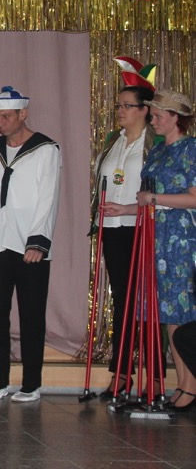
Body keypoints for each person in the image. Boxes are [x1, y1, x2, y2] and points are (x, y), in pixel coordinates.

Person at [0, 85, 61, 403]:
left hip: (29, 246)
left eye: (6, 117)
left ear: (23, 114)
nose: (0, 123)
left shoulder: (45, 149)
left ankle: (31, 383)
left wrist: (38, 241)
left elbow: (48, 198)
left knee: (31, 315)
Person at [91, 80, 157, 400]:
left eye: (127, 105)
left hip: (141, 226)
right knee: (123, 301)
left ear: (144, 110)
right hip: (112, 228)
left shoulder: (154, 143)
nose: (120, 110)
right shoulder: (112, 140)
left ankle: (154, 376)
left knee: (148, 303)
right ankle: (121, 373)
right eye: (119, 105)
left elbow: (158, 191)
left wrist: (131, 207)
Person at [136, 89, 196, 411]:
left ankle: (190, 385)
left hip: (181, 239)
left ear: (176, 118)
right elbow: (148, 198)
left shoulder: (191, 148)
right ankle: (183, 383)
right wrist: (125, 209)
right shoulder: (158, 151)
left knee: (182, 311)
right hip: (156, 237)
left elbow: (194, 198)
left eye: (159, 116)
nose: (153, 121)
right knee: (169, 312)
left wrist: (155, 199)